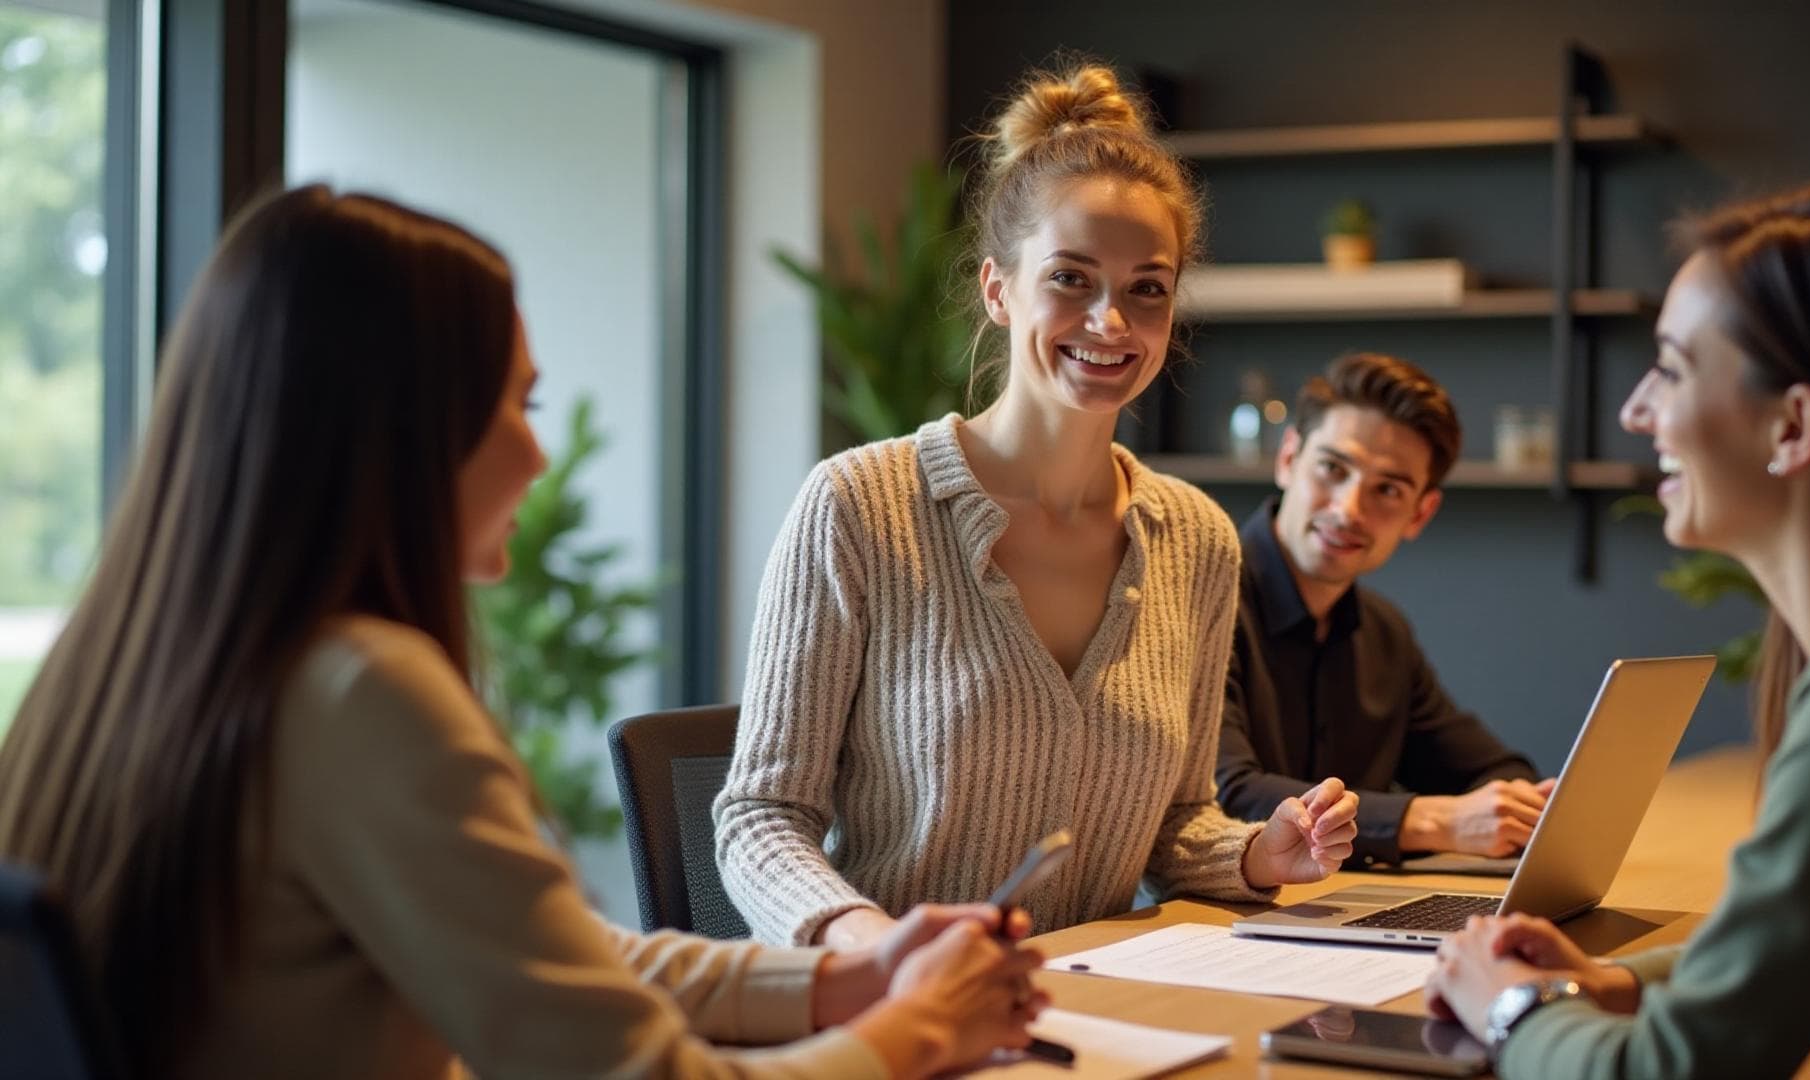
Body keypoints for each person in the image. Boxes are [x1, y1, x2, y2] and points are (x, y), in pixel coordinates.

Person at [0, 186, 1044, 1080]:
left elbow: (559, 961)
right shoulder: (360, 692)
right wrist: (918, 1029)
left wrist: (846, 977)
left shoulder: (128, 668)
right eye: (520, 403)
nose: (537, 457)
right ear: (409, 427)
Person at [713, 63, 1361, 951]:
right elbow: (760, 817)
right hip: (891, 1012)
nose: (1111, 322)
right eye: (1071, 278)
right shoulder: (858, 507)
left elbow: (1177, 822)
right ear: (997, 289)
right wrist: (874, 944)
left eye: (1147, 288)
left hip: (1083, 1005)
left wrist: (1257, 855)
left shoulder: (1198, 540)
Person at [1424, 179, 1810, 1077]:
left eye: (1674, 368)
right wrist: (1610, 982)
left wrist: (1508, 1008)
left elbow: (1673, 1072)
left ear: (1794, 425)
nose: (1636, 411)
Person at [1214, 352, 1549, 867]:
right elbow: (1225, 794)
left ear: (1421, 513)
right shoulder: (1200, 602)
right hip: (1205, 922)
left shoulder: (1384, 632)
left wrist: (1513, 807)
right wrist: (1433, 821)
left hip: (1338, 914)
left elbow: (1492, 770)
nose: (1349, 510)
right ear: (1288, 459)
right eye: (1332, 468)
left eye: (1387, 490)